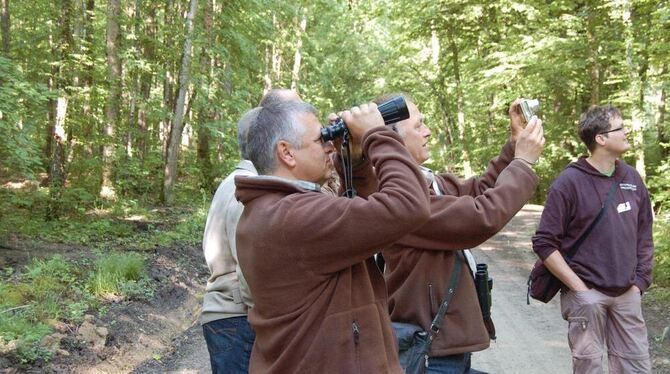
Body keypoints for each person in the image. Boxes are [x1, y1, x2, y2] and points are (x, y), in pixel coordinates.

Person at [235, 100, 432, 373]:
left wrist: (356, 163)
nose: (330, 145)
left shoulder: (272, 209)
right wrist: (378, 135)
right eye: (321, 139)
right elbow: (409, 205)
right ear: (287, 153)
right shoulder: (295, 216)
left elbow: (359, 217)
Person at [361, 94, 545, 373]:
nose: (428, 131)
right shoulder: (397, 200)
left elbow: (481, 190)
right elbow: (480, 218)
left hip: (443, 349)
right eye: (419, 125)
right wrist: (522, 164)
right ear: (392, 140)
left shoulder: (428, 182)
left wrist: (512, 146)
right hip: (429, 353)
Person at [532, 105, 653, 374]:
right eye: (620, 127)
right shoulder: (569, 182)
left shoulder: (632, 178)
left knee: (636, 367)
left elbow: (644, 234)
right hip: (586, 295)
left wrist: (640, 283)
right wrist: (580, 290)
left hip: (627, 293)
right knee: (589, 368)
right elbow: (544, 242)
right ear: (600, 139)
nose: (626, 131)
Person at [200, 89, 300, 373]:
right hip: (237, 318)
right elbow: (249, 266)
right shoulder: (248, 187)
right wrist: (270, 320)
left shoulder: (235, 180)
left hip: (228, 317)